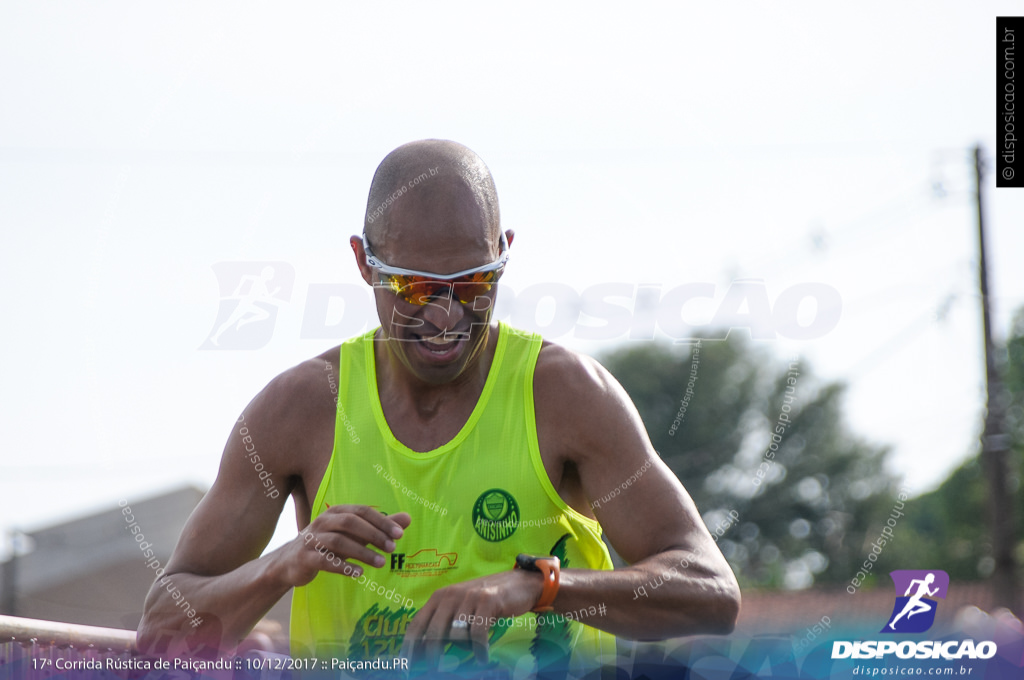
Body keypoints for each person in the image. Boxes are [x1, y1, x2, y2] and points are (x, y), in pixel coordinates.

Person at [138, 139, 740, 676]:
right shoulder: (297, 411)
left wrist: (540, 587)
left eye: (475, 282)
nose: (446, 315)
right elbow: (160, 632)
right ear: (363, 262)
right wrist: (281, 565)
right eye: (416, 288)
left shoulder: (566, 396)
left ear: (505, 252)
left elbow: (711, 593)